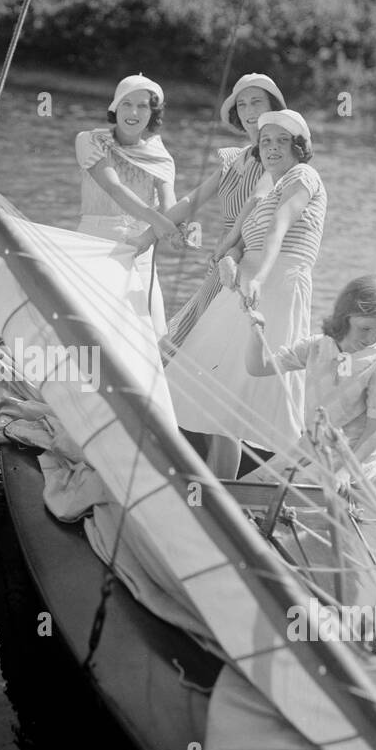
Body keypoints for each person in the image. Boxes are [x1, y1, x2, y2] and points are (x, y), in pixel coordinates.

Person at [165, 109, 327, 479]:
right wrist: (231, 261)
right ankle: (215, 489)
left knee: (234, 394)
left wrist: (256, 278)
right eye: (265, 141)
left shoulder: (303, 176)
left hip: (273, 284)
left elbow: (280, 227)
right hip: (245, 284)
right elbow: (245, 241)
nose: (270, 148)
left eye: (281, 141)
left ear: (299, 147)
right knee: (212, 391)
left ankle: (226, 494)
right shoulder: (270, 186)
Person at [135, 73, 287, 358]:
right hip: (223, 259)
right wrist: (149, 235)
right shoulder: (233, 159)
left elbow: (258, 200)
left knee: (197, 341)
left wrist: (227, 247)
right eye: (242, 105)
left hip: (248, 259)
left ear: (274, 108)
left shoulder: (278, 155)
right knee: (186, 336)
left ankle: (146, 394)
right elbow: (192, 200)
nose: (249, 111)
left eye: (257, 102)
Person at [242, 276, 376, 492]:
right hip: (312, 445)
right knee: (251, 484)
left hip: (351, 457)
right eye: (365, 328)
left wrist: (345, 471)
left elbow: (375, 428)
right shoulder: (316, 346)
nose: (372, 338)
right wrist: (256, 336)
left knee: (286, 492)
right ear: (346, 317)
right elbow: (258, 368)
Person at [75, 75, 177, 336]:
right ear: (115, 108)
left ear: (152, 113)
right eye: (126, 104)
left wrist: (162, 231)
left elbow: (170, 206)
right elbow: (113, 187)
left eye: (143, 106)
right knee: (90, 328)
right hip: (95, 244)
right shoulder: (89, 140)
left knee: (156, 334)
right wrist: (162, 223)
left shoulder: (161, 156)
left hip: (140, 249)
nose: (133, 112)